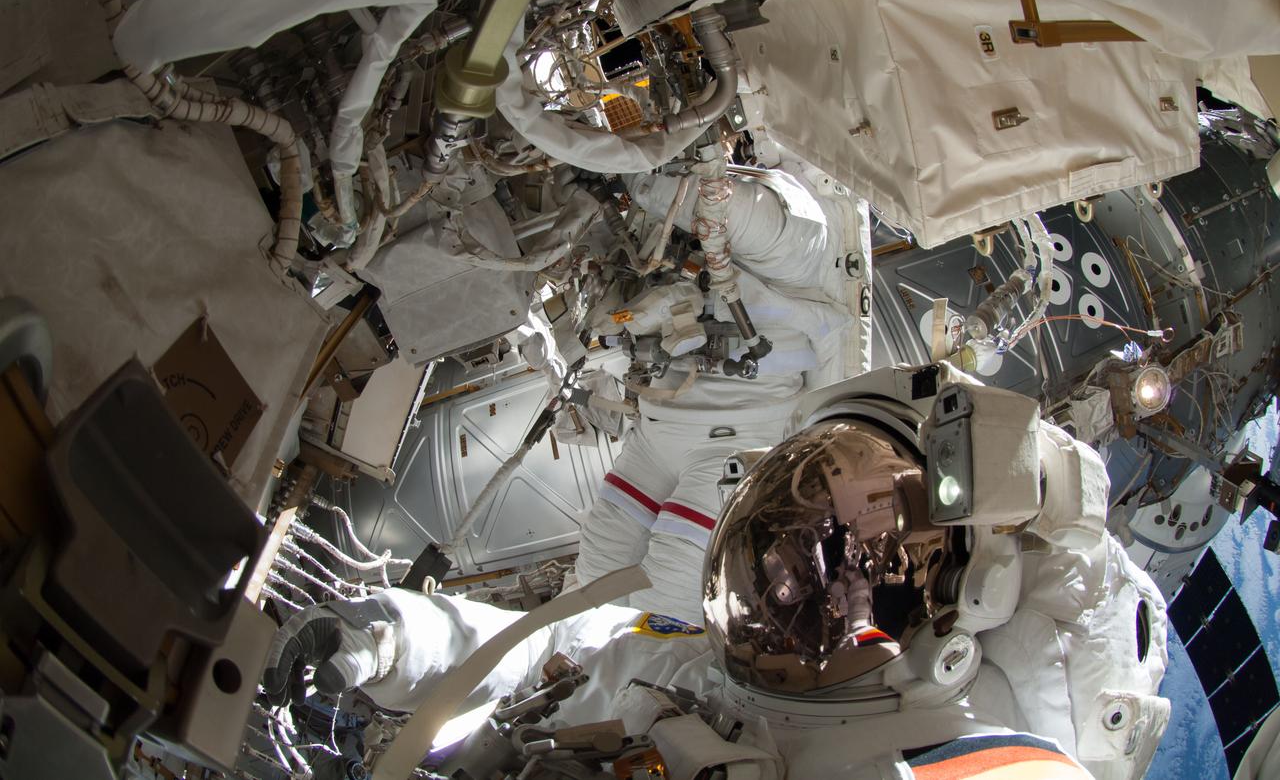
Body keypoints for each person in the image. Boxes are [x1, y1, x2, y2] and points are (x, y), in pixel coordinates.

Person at [263, 365, 1170, 780]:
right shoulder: (691, 661)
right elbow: (552, 651)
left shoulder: (975, 767)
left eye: (852, 548)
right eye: (804, 508)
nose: (796, 552)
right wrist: (388, 639)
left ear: (960, 608)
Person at [565, 152, 862, 624]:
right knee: (599, 572)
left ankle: (638, 681)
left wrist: (631, 169)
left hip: (728, 442)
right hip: (668, 433)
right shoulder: (677, 214)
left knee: (660, 593)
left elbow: (720, 208)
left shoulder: (801, 226)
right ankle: (600, 667)